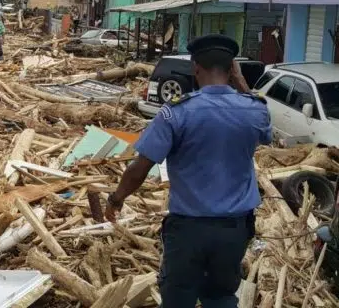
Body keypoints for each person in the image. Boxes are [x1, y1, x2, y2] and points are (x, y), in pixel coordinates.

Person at [104, 34, 272, 308]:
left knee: (178, 298)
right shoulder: (254, 110)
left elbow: (140, 168)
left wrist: (116, 198)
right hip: (234, 230)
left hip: (188, 231)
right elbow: (265, 132)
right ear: (232, 69)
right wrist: (242, 86)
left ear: (195, 68)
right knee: (221, 297)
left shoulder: (176, 112)